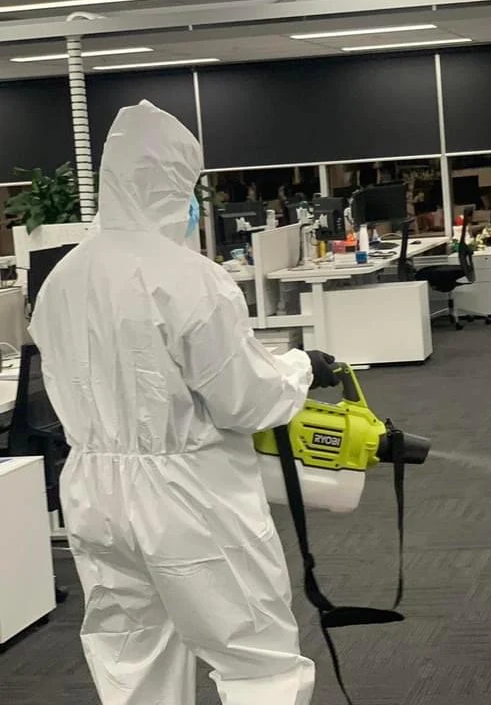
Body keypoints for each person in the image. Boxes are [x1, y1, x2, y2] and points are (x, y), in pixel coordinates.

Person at [29, 100, 336, 705]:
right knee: (256, 659)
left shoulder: (62, 276)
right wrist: (300, 367)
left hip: (92, 492)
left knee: (132, 655)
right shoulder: (189, 276)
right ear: (172, 185)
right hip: (187, 497)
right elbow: (244, 402)